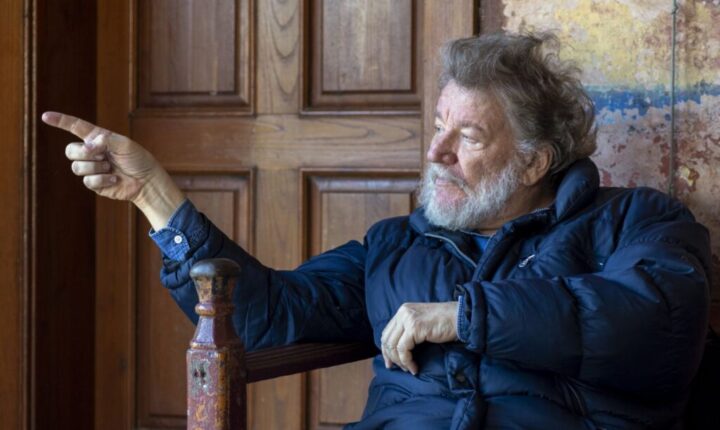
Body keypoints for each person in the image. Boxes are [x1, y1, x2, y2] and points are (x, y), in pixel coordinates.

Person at [43, 32, 710, 429]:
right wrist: (155, 194)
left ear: (535, 161)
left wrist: (464, 315)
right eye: (438, 127)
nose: (436, 152)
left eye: (468, 136)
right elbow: (266, 314)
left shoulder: (636, 222)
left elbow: (657, 325)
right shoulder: (397, 245)